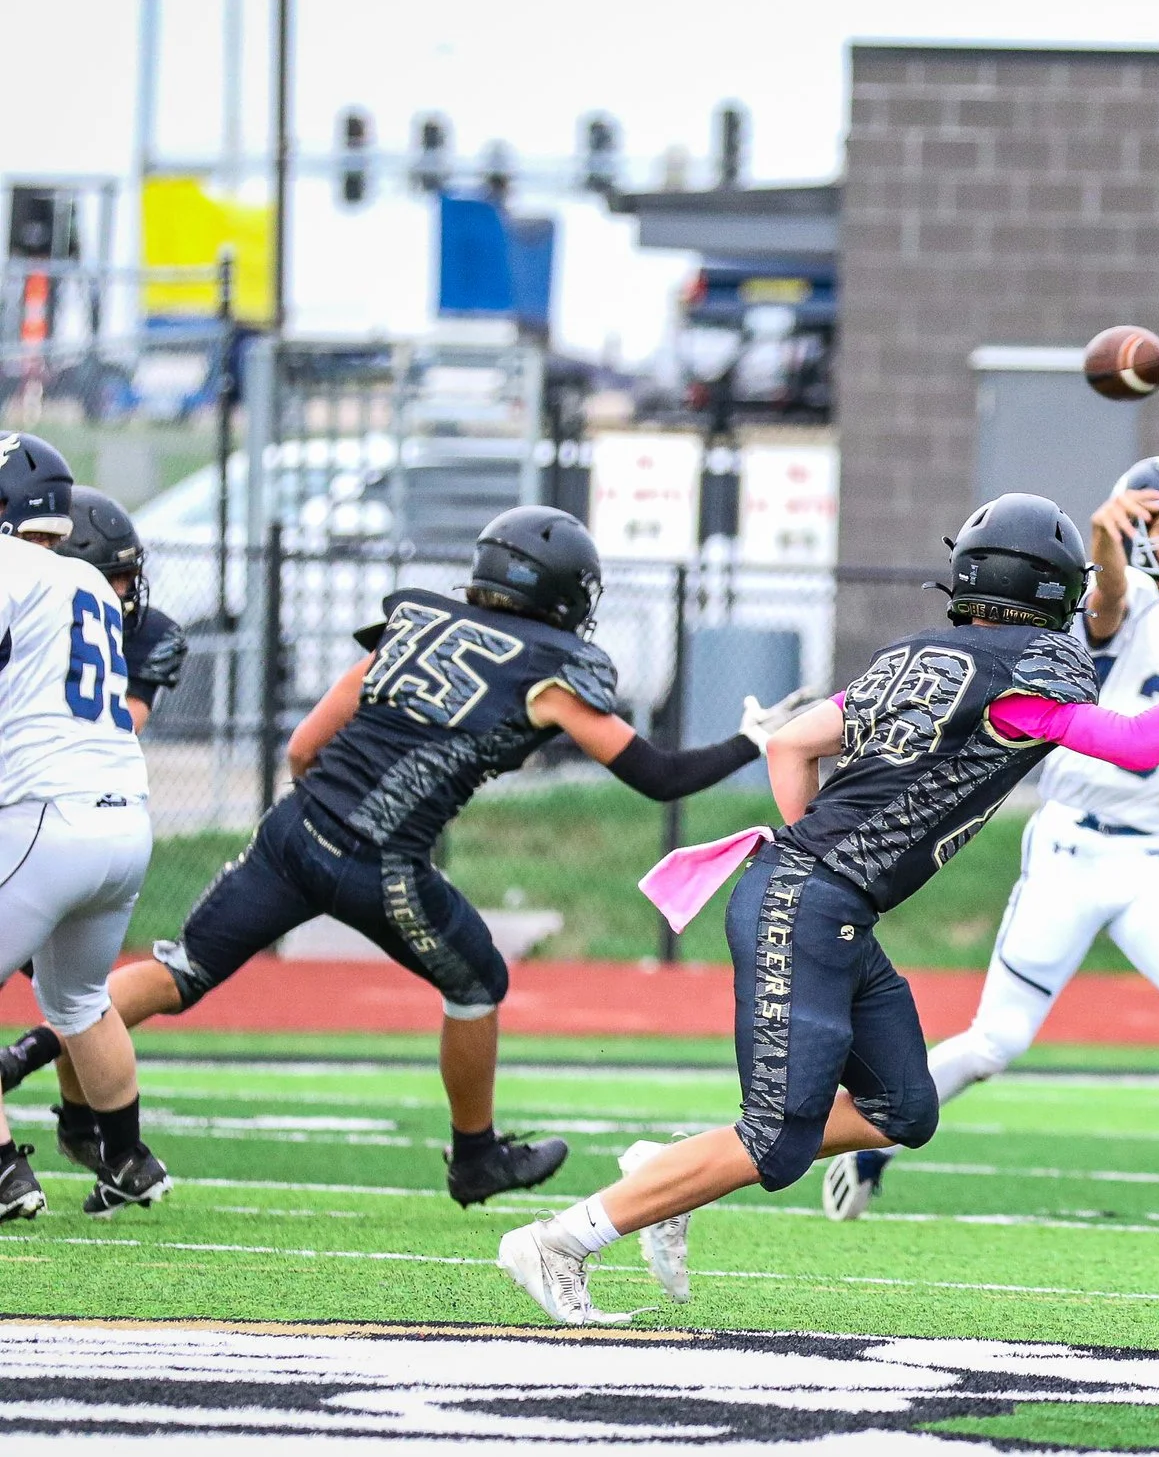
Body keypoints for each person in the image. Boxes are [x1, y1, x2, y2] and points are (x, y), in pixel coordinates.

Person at [497, 493, 1159, 1324]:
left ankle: (671, 1173)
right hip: (810, 899)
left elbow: (792, 743)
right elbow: (1145, 745)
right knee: (775, 1141)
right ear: (1050, 590)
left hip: (820, 898)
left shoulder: (917, 657)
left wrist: (821, 860)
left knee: (904, 1108)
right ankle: (560, 1240)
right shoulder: (1021, 688)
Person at [0, 506, 770, 1206]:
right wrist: (754, 740)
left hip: (293, 829)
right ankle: (476, 1156)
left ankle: (27, 1052)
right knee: (478, 980)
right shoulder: (550, 672)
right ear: (563, 592)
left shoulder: (414, 623)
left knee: (178, 973)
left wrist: (322, 819)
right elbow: (657, 774)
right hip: (379, 858)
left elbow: (306, 745)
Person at [823, 458, 1159, 1241]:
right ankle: (875, 1142)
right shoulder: (1127, 603)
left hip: (1155, 859)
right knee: (997, 1042)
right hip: (1072, 847)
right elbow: (1110, 595)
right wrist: (1104, 533)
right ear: (1139, 533)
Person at [0, 432, 161, 1218]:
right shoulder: (89, 581)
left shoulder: (9, 565)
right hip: (125, 818)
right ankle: (127, 1156)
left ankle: (4, 1172)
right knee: (80, 1000)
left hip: (47, 814)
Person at [56, 486, 187, 732]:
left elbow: (126, 728)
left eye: (129, 575)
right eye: (112, 578)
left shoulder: (146, 631)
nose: (122, 590)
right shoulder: (30, 618)